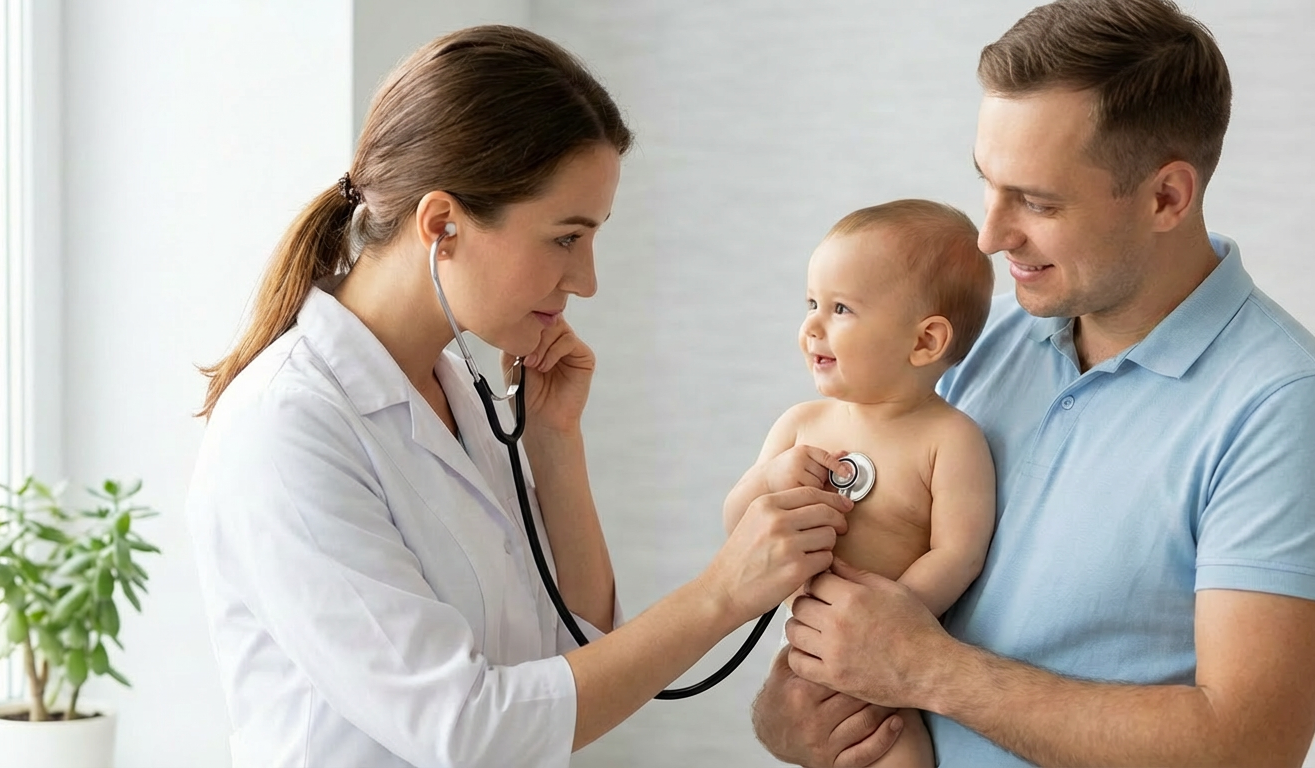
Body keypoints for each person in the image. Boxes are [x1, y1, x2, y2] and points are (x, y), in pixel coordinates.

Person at [184, 25, 853, 768]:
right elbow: (469, 729)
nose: (586, 280)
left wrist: (555, 445)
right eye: (566, 238)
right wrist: (722, 593)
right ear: (442, 225)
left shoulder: (455, 390)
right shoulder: (286, 428)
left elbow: (576, 653)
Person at [749, 1, 1315, 766]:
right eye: (989, 185)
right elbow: (863, 624)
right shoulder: (972, 343)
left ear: (1167, 197)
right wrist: (786, 717)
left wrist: (927, 670)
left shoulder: (1287, 408)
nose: (991, 236)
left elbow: (1249, 748)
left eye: (1037, 202)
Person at [722, 199, 997, 767]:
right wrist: (770, 480)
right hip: (805, 652)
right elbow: (737, 527)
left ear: (924, 342)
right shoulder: (800, 425)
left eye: (841, 308)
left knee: (895, 751)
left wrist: (890, 621)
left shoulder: (950, 439)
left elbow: (958, 553)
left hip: (887, 664)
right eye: (811, 304)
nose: (811, 327)